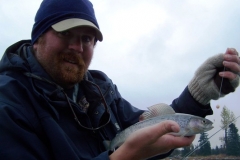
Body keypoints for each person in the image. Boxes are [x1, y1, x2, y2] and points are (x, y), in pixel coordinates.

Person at [0, 0, 239, 159]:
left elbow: (152, 126)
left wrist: (198, 94)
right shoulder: (9, 106)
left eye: (87, 38)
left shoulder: (102, 91)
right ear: (37, 38)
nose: (77, 47)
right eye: (65, 33)